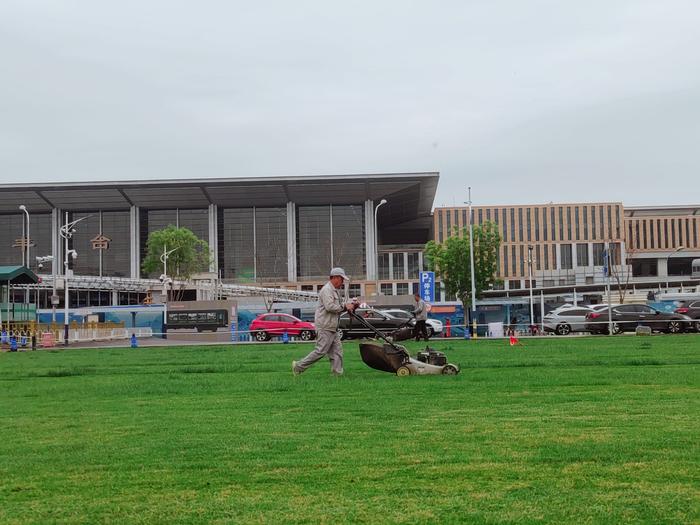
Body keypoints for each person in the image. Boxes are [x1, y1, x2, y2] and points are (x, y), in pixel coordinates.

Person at [292, 268, 358, 375]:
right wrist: (345, 306)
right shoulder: (327, 290)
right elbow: (330, 307)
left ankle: (337, 374)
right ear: (335, 278)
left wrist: (351, 306)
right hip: (325, 326)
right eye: (342, 279)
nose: (342, 282)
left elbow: (339, 307)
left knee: (337, 352)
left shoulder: (334, 291)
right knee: (320, 351)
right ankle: (298, 367)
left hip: (332, 326)